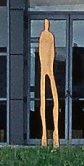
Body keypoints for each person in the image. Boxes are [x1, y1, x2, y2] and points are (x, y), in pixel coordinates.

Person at [36, 17, 61, 146]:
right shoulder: (43, 36)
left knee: (54, 99)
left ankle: (56, 134)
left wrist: (50, 65)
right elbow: (41, 52)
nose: (46, 25)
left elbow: (52, 52)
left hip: (49, 68)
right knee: (43, 101)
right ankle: (44, 135)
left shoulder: (50, 36)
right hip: (44, 68)